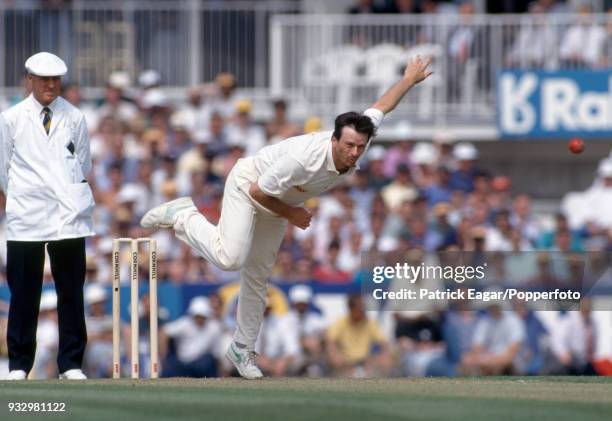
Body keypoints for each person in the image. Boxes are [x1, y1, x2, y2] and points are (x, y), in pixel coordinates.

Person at [140, 56, 433, 379]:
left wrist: (408, 80)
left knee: (258, 275)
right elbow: (256, 191)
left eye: (360, 147)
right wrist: (293, 213)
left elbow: (381, 106)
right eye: (348, 145)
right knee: (230, 258)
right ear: (334, 138)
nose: (354, 153)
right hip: (249, 184)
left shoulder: (361, 134)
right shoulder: (303, 159)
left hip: (280, 199)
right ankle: (184, 215)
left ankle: (242, 348)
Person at [0, 52, 94, 380]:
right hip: (27, 214)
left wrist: (63, 190)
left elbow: (83, 163)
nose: (50, 85)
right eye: (43, 79)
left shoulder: (75, 116)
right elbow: (3, 168)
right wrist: (27, 194)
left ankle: (70, 364)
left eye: (55, 79)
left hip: (68, 216)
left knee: (71, 289)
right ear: (30, 80)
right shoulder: (11, 118)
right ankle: (19, 364)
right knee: (24, 292)